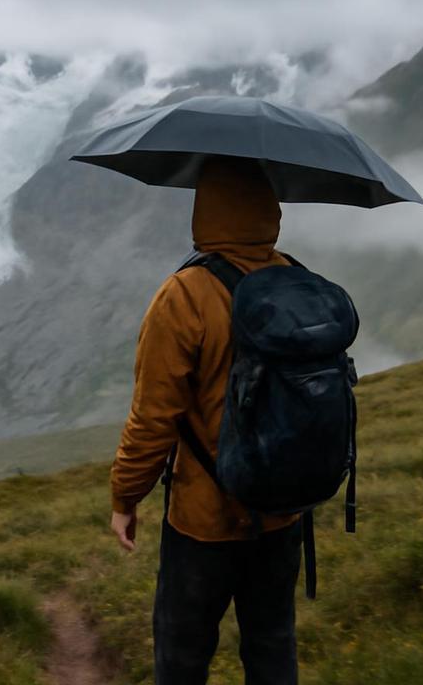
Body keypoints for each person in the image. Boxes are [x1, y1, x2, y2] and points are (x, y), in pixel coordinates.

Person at [109, 156, 303, 684]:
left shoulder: (186, 294)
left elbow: (154, 419)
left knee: (182, 657)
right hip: (282, 511)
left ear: (206, 211)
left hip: (205, 519)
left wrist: (126, 497)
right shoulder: (295, 281)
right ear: (270, 209)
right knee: (272, 649)